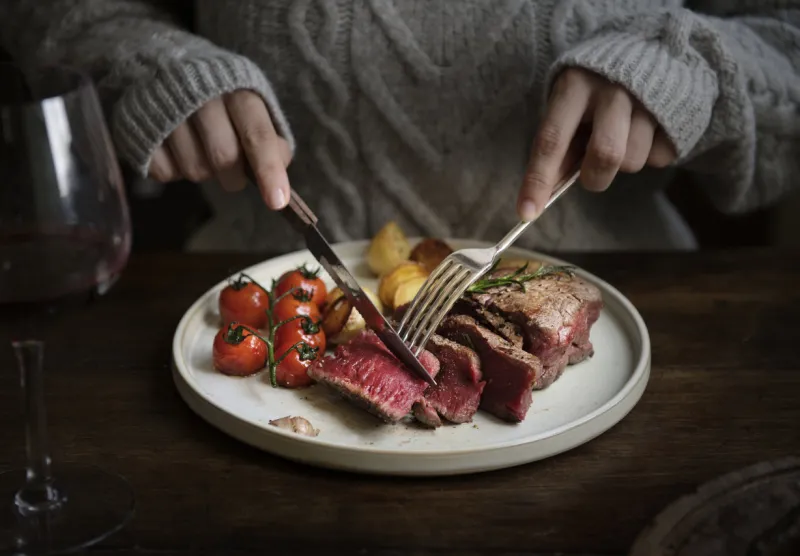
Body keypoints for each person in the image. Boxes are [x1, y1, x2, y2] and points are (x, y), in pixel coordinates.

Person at [2, 1, 798, 252]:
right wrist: (141, 60)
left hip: (641, 338)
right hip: (252, 343)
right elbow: (53, 12)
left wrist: (701, 67)